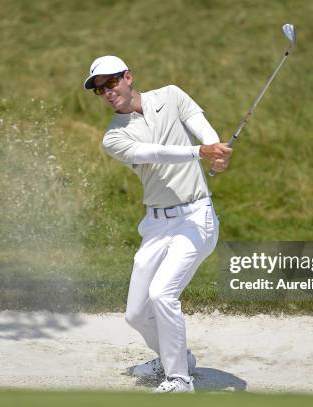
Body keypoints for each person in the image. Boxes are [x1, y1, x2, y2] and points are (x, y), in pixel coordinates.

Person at [83, 55, 232, 393]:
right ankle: (176, 357)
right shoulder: (114, 137)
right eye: (99, 89)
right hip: (155, 226)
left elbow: (198, 122)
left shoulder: (171, 95)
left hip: (195, 217)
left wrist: (217, 150)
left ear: (128, 77)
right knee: (136, 313)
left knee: (162, 294)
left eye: (111, 82)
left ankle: (179, 378)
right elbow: (155, 152)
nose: (107, 92)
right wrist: (201, 152)